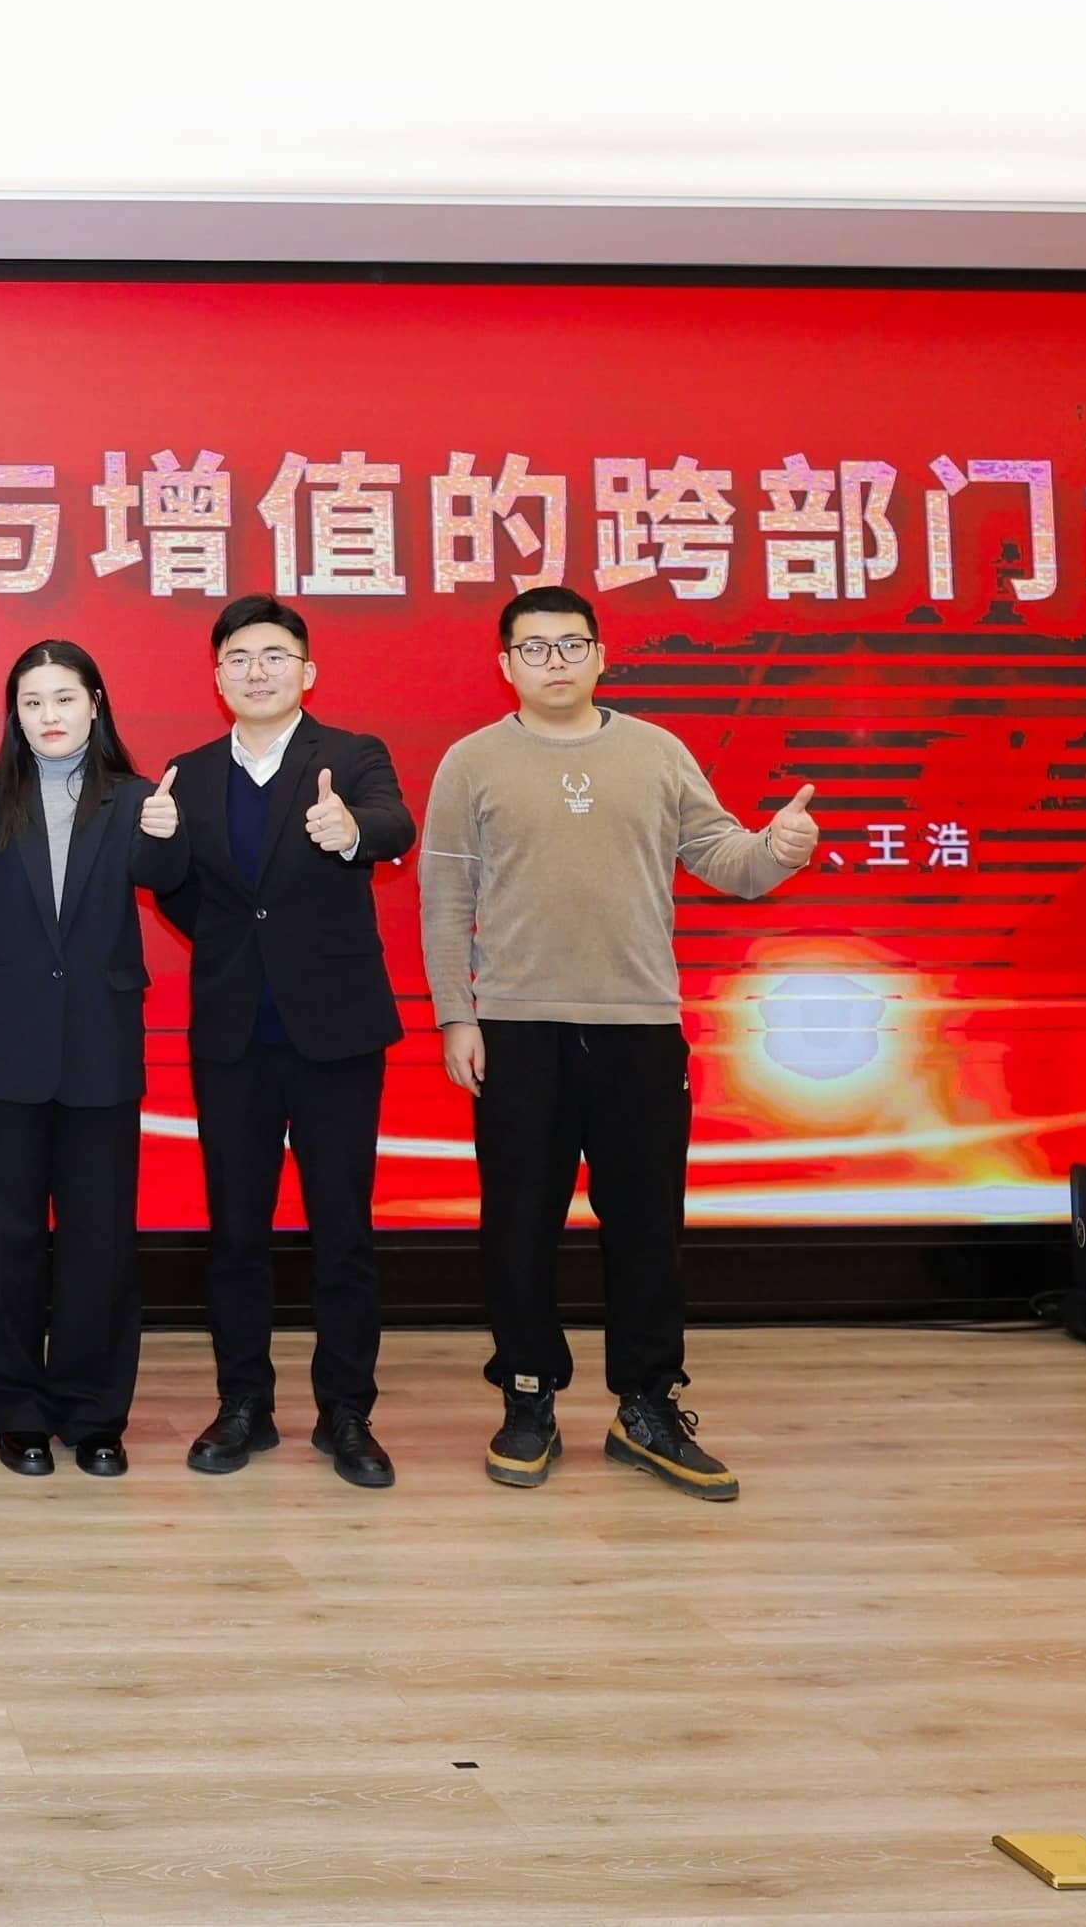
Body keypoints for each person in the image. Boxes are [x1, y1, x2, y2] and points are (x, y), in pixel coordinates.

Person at [420, 583, 821, 1502]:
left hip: (639, 1027)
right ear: (506, 665)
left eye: (571, 645)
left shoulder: (657, 752)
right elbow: (443, 902)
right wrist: (455, 1015)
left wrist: (779, 848)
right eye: (534, 647)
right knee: (519, 1225)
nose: (554, 662)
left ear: (601, 656)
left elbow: (727, 860)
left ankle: (647, 1404)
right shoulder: (471, 763)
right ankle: (528, 1395)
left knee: (646, 1227)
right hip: (517, 1029)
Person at [143, 596, 418, 1490]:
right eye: (239, 658)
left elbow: (395, 824)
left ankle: (347, 1412)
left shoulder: (352, 755)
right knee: (236, 1232)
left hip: (336, 1028)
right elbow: (175, 887)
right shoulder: (188, 773)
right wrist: (170, 867)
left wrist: (354, 832)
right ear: (217, 677)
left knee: (343, 1229)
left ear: (307, 671)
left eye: (274, 655)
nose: (256, 671)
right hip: (233, 1033)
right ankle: (244, 1404)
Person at [0, 640, 188, 1476]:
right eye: (32, 701)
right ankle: (16, 1413)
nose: (49, 715)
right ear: (15, 712)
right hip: (1, 1044)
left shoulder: (138, 797)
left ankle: (94, 1413)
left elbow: (168, 881)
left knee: (99, 1240)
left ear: (96, 703)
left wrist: (169, 837)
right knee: (1, 1237)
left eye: (64, 698)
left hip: (100, 1043)